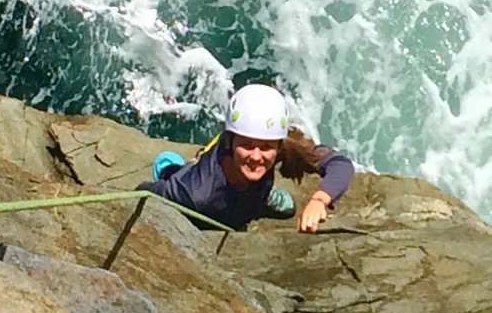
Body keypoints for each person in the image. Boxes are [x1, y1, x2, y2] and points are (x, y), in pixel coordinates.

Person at [138, 83, 354, 232]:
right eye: (247, 146)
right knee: (213, 210)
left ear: (279, 144)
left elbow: (340, 164)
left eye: (266, 147)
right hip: (208, 203)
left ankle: (260, 196)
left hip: (243, 192)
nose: (257, 156)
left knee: (283, 208)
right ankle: (170, 170)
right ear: (231, 141)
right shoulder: (196, 192)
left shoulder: (282, 146)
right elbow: (145, 193)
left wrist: (319, 201)